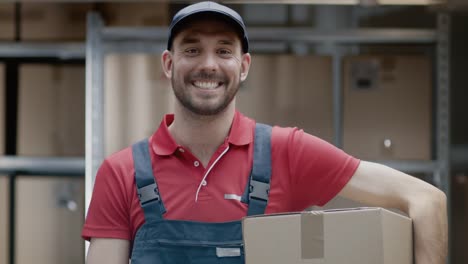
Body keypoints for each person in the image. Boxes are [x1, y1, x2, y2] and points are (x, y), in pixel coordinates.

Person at [82, 1, 447, 264]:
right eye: (192, 48)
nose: (208, 64)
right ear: (168, 63)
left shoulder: (286, 152)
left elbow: (428, 200)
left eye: (223, 50)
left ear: (243, 66)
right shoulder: (122, 173)